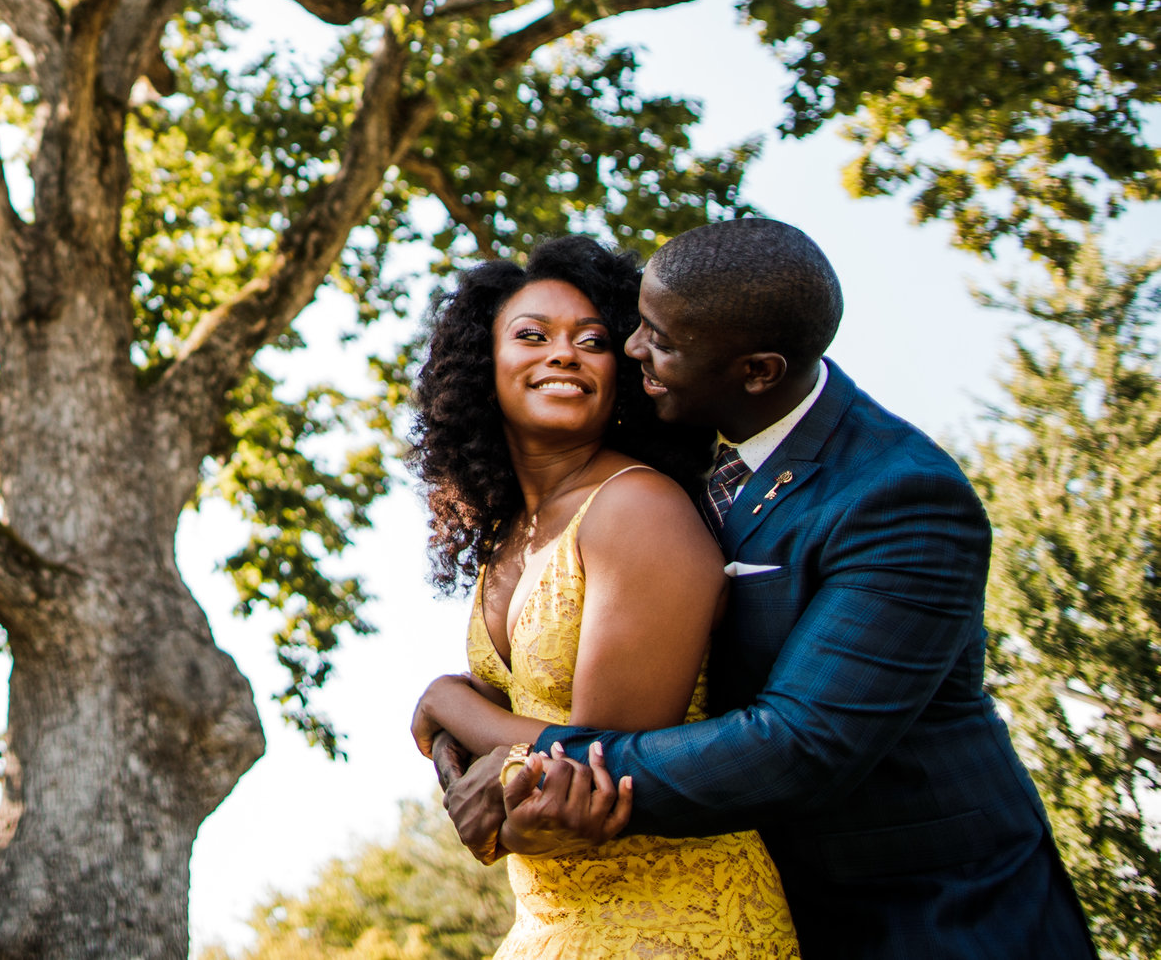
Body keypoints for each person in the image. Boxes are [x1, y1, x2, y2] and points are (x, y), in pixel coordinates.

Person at [444, 218, 1094, 960]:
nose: (629, 349)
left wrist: (552, 766)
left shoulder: (901, 497)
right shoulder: (686, 453)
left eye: (657, 339)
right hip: (760, 896)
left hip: (934, 916)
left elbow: (801, 743)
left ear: (756, 370)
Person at [406, 234, 799, 958]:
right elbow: (522, 758)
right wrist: (480, 792)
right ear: (481, 368)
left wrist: (445, 701)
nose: (565, 353)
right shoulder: (508, 535)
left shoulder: (637, 507)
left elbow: (605, 762)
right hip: (549, 919)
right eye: (532, 335)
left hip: (678, 919)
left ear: (621, 374)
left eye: (592, 340)